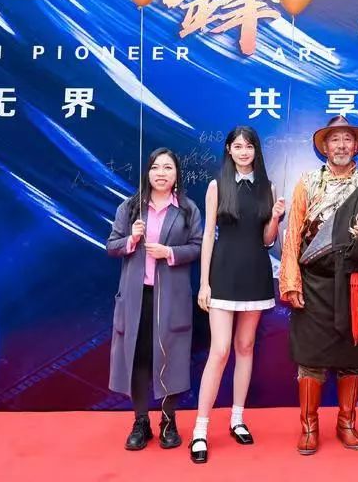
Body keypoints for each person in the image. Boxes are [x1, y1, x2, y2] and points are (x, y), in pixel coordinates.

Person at [279, 115, 358, 455]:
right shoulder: (307, 184)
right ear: (324, 146)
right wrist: (291, 281)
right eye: (335, 139)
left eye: (348, 139)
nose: (342, 145)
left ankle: (347, 422)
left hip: (354, 286)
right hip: (314, 284)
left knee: (353, 358)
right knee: (310, 359)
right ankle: (309, 426)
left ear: (356, 146)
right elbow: (293, 235)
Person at [189, 126, 286, 463]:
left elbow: (267, 240)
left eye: (249, 146)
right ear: (229, 150)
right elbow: (208, 237)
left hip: (256, 273)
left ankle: (237, 418)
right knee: (220, 350)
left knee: (245, 347)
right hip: (223, 275)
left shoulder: (268, 187)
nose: (244, 152)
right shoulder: (217, 185)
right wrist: (204, 283)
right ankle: (200, 429)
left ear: (256, 150)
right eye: (238, 146)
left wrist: (275, 217)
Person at [106, 148, 203, 451]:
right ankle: (140, 421)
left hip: (172, 298)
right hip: (137, 298)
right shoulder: (130, 208)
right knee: (138, 358)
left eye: (168, 168)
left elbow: (198, 246)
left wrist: (169, 252)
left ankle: (168, 420)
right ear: (147, 172)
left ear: (177, 174)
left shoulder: (187, 209)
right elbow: (111, 246)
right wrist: (131, 240)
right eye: (156, 168)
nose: (161, 173)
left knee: (172, 356)